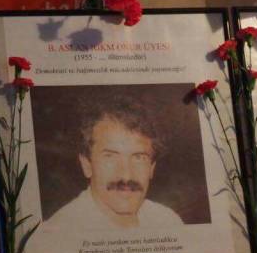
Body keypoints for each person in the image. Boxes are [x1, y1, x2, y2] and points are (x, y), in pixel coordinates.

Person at [45, 99, 183, 231]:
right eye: (110, 156)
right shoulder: (60, 230)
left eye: (138, 157)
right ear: (87, 165)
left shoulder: (168, 221)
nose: (126, 176)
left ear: (152, 168)